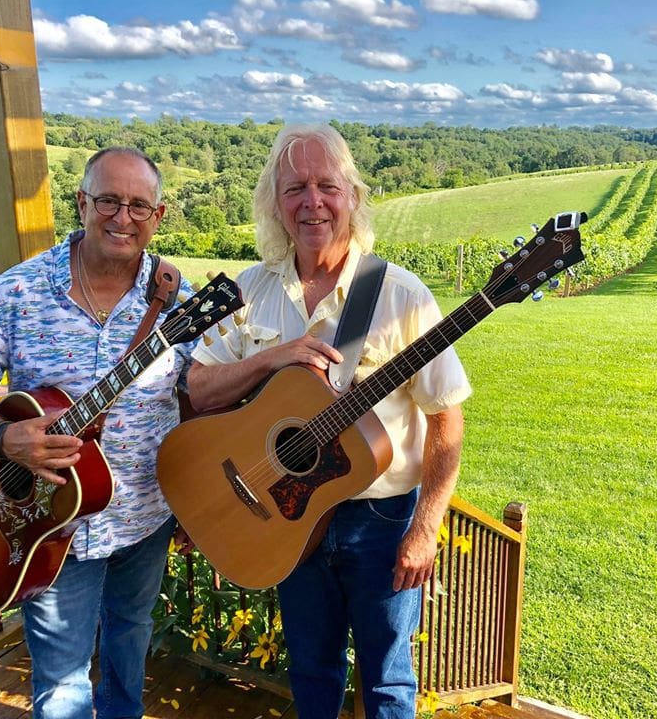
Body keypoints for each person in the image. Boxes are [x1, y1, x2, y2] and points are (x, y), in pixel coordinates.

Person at [185, 124, 471, 718]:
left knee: (388, 679)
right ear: (275, 204)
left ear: (352, 197)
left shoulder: (401, 294)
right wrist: (272, 358)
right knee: (311, 671)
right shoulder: (250, 291)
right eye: (295, 188)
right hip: (285, 516)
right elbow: (198, 386)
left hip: (381, 520)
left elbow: (446, 421)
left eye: (326, 186)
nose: (312, 202)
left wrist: (424, 530)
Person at [0, 146, 199, 719]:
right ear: (82, 203)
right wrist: (5, 440)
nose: (121, 218)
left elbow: (204, 388)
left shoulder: (177, 298)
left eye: (137, 205)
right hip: (48, 526)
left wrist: (276, 366)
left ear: (158, 215)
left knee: (130, 644)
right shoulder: (17, 293)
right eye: (107, 200)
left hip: (143, 515)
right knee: (61, 682)